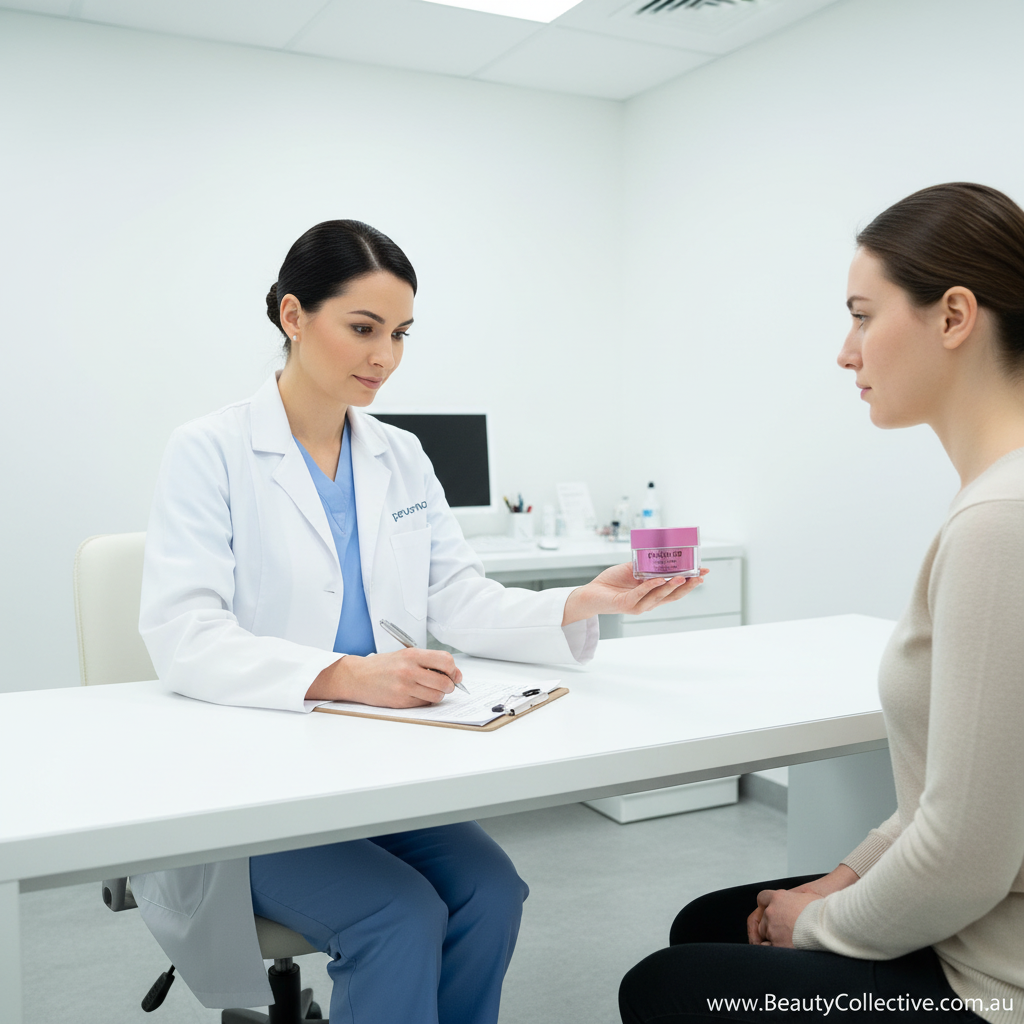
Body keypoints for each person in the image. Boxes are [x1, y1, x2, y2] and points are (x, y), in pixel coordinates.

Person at [133, 219, 706, 1023]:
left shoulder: (399, 454)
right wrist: (346, 675)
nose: (385, 357)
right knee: (397, 917)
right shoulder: (209, 450)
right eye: (363, 328)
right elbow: (183, 633)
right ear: (294, 317)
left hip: (376, 771)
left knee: (492, 892)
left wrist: (586, 600)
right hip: (256, 785)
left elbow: (462, 598)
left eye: (399, 334)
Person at [619, 182, 1024, 1024]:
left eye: (863, 315)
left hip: (993, 988)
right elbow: (948, 803)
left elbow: (964, 853)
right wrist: (837, 880)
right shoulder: (994, 501)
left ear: (954, 316)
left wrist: (817, 924)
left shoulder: (1000, 522)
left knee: (663, 984)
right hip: (981, 917)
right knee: (712, 925)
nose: (847, 352)